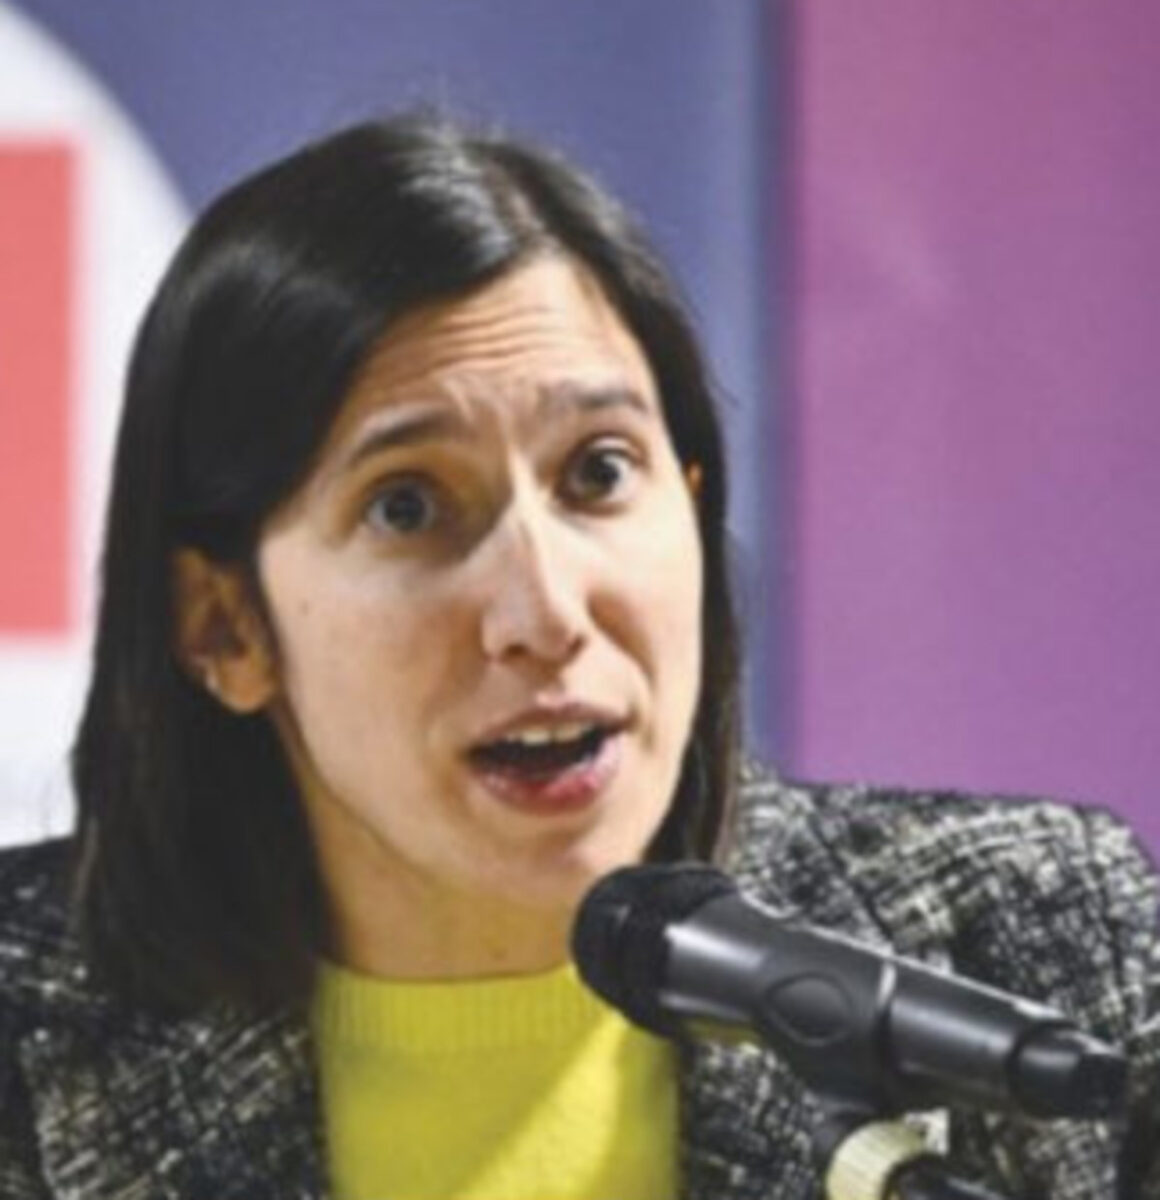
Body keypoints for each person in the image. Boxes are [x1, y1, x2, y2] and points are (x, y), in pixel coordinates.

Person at [0, 113, 1156, 1200]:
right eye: (407, 507)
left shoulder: (1031, 945)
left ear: (691, 507)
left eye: (598, 472)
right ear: (225, 626)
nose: (545, 611)